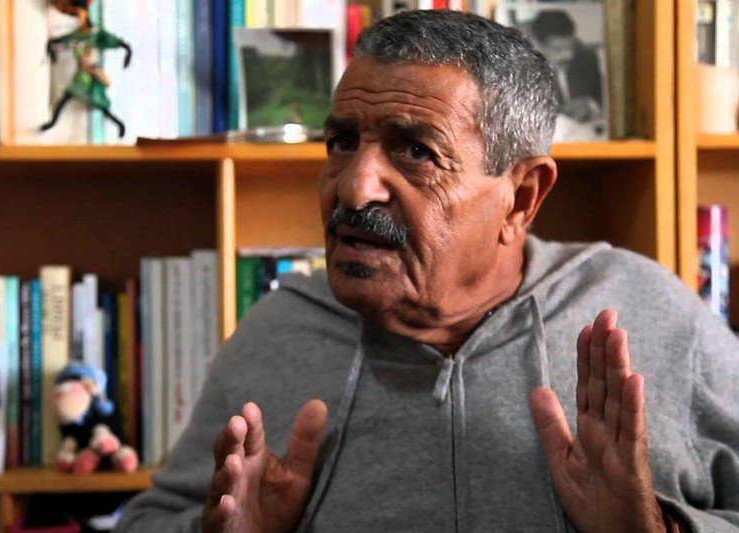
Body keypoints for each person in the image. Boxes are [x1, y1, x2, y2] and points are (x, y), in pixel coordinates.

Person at [116, 10, 739, 532]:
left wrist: (659, 528)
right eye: (342, 143)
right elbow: (149, 521)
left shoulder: (646, 313)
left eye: (416, 151)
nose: (355, 188)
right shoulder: (277, 333)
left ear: (521, 198)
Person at [530, 10, 604, 126]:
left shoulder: (587, 58)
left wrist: (591, 105)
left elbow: (600, 101)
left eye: (571, 47)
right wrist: (564, 111)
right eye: (558, 49)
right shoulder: (522, 71)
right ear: (537, 45)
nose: (568, 55)